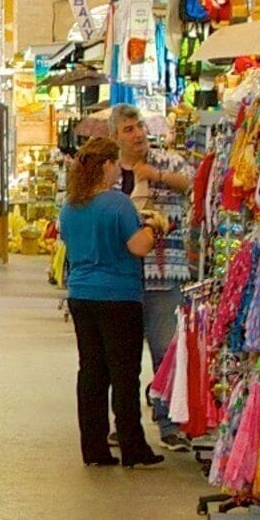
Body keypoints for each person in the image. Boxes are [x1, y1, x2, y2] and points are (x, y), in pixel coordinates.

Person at [58, 140, 163, 467]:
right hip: (118, 296)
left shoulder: (70, 206)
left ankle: (93, 447)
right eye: (116, 163)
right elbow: (139, 247)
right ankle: (133, 447)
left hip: (82, 295)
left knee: (91, 371)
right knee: (124, 373)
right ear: (105, 165)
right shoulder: (118, 204)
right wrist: (154, 226)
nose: (119, 169)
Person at [116, 113, 191, 454]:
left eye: (140, 127)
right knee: (124, 358)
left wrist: (156, 176)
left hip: (164, 274)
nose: (137, 135)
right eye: (128, 130)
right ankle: (126, 424)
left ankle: (169, 423)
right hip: (122, 276)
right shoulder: (110, 172)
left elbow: (191, 183)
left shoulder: (167, 160)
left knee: (166, 352)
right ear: (115, 136)